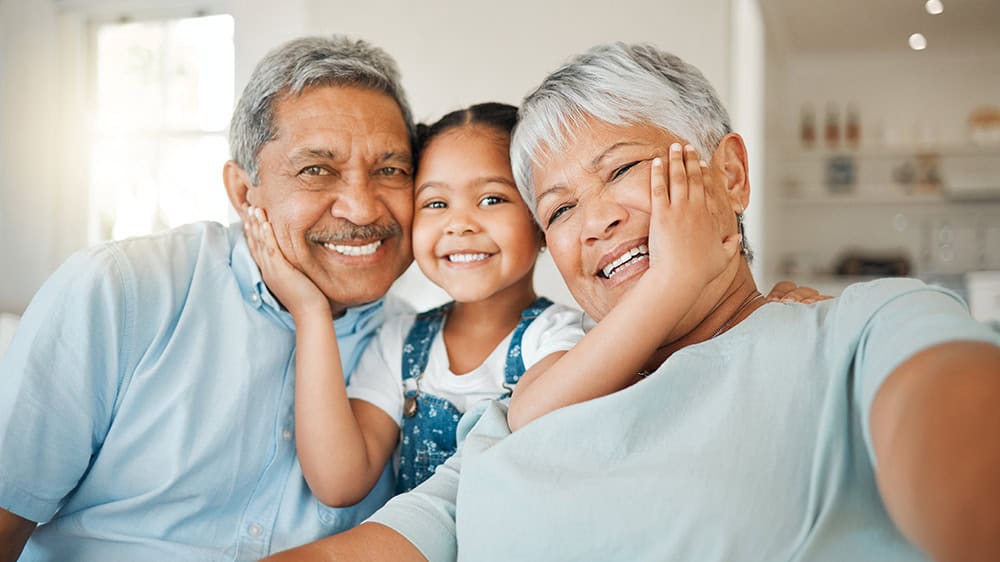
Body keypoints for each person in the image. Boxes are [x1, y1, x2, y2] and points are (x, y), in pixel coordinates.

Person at [266, 42, 1000, 562]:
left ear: (732, 176)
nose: (594, 221)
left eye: (621, 169)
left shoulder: (861, 332)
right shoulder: (507, 415)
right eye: (558, 210)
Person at [0, 35, 418, 561]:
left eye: (391, 170)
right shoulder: (120, 289)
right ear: (245, 194)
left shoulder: (419, 347)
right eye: (317, 170)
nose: (361, 208)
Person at [241, 102, 588, 504]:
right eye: (436, 204)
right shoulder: (401, 343)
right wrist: (310, 312)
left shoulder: (563, 337)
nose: (460, 223)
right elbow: (339, 482)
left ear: (541, 216)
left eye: (492, 199)